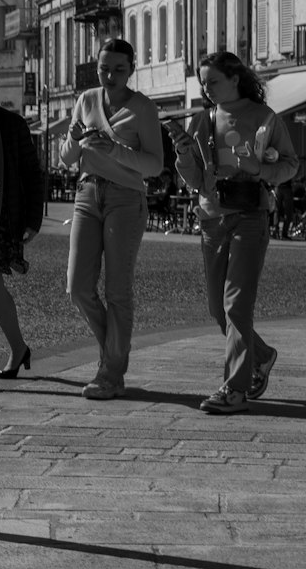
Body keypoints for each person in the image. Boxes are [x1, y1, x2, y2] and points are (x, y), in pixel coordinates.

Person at [166, 51, 297, 415]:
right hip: (212, 218)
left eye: (213, 82)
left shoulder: (264, 117)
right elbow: (194, 180)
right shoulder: (202, 120)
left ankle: (234, 389)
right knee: (217, 309)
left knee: (236, 304)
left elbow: (290, 164)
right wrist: (182, 153)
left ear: (235, 78)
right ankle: (263, 355)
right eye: (204, 83)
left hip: (250, 216)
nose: (206, 89)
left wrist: (261, 171)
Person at [60, 37, 163, 399]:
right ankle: (113, 357)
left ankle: (110, 373)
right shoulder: (86, 100)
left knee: (118, 289)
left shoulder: (144, 109)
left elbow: (154, 164)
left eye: (119, 69)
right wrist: (73, 140)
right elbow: (67, 159)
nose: (110, 75)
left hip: (125, 198)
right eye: (104, 68)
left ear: (132, 69)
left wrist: (115, 150)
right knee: (77, 287)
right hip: (87, 194)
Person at [0, 57, 46, 378]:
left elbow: (33, 175)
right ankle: (19, 349)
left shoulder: (11, 124)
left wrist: (33, 219)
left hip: (1, 219)